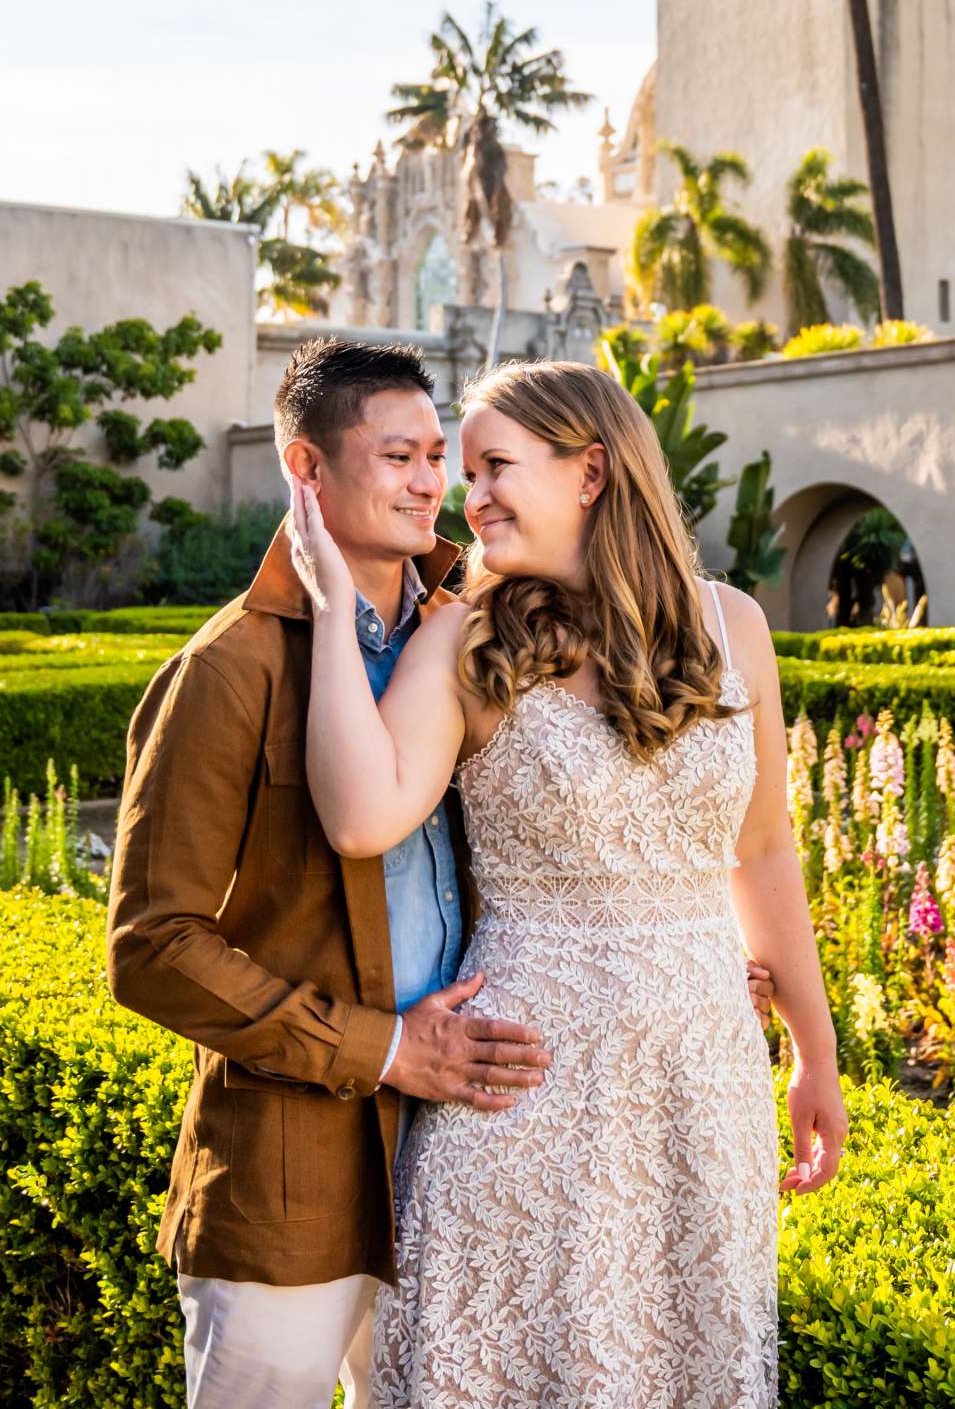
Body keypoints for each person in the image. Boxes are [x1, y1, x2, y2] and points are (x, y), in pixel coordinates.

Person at [295, 358, 845, 1409]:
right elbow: (360, 815)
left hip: (701, 1085)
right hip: (523, 1091)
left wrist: (815, 1054)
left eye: (497, 466)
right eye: (469, 473)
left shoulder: (736, 626)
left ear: (591, 472)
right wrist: (331, 611)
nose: (473, 495)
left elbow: (764, 850)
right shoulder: (466, 635)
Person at [106, 338, 554, 1409]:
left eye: (437, 455)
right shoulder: (228, 669)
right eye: (398, 456)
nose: (431, 484)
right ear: (307, 471)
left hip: (464, 1155)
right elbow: (151, 949)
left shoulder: (480, 631)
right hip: (287, 1176)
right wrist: (386, 1048)